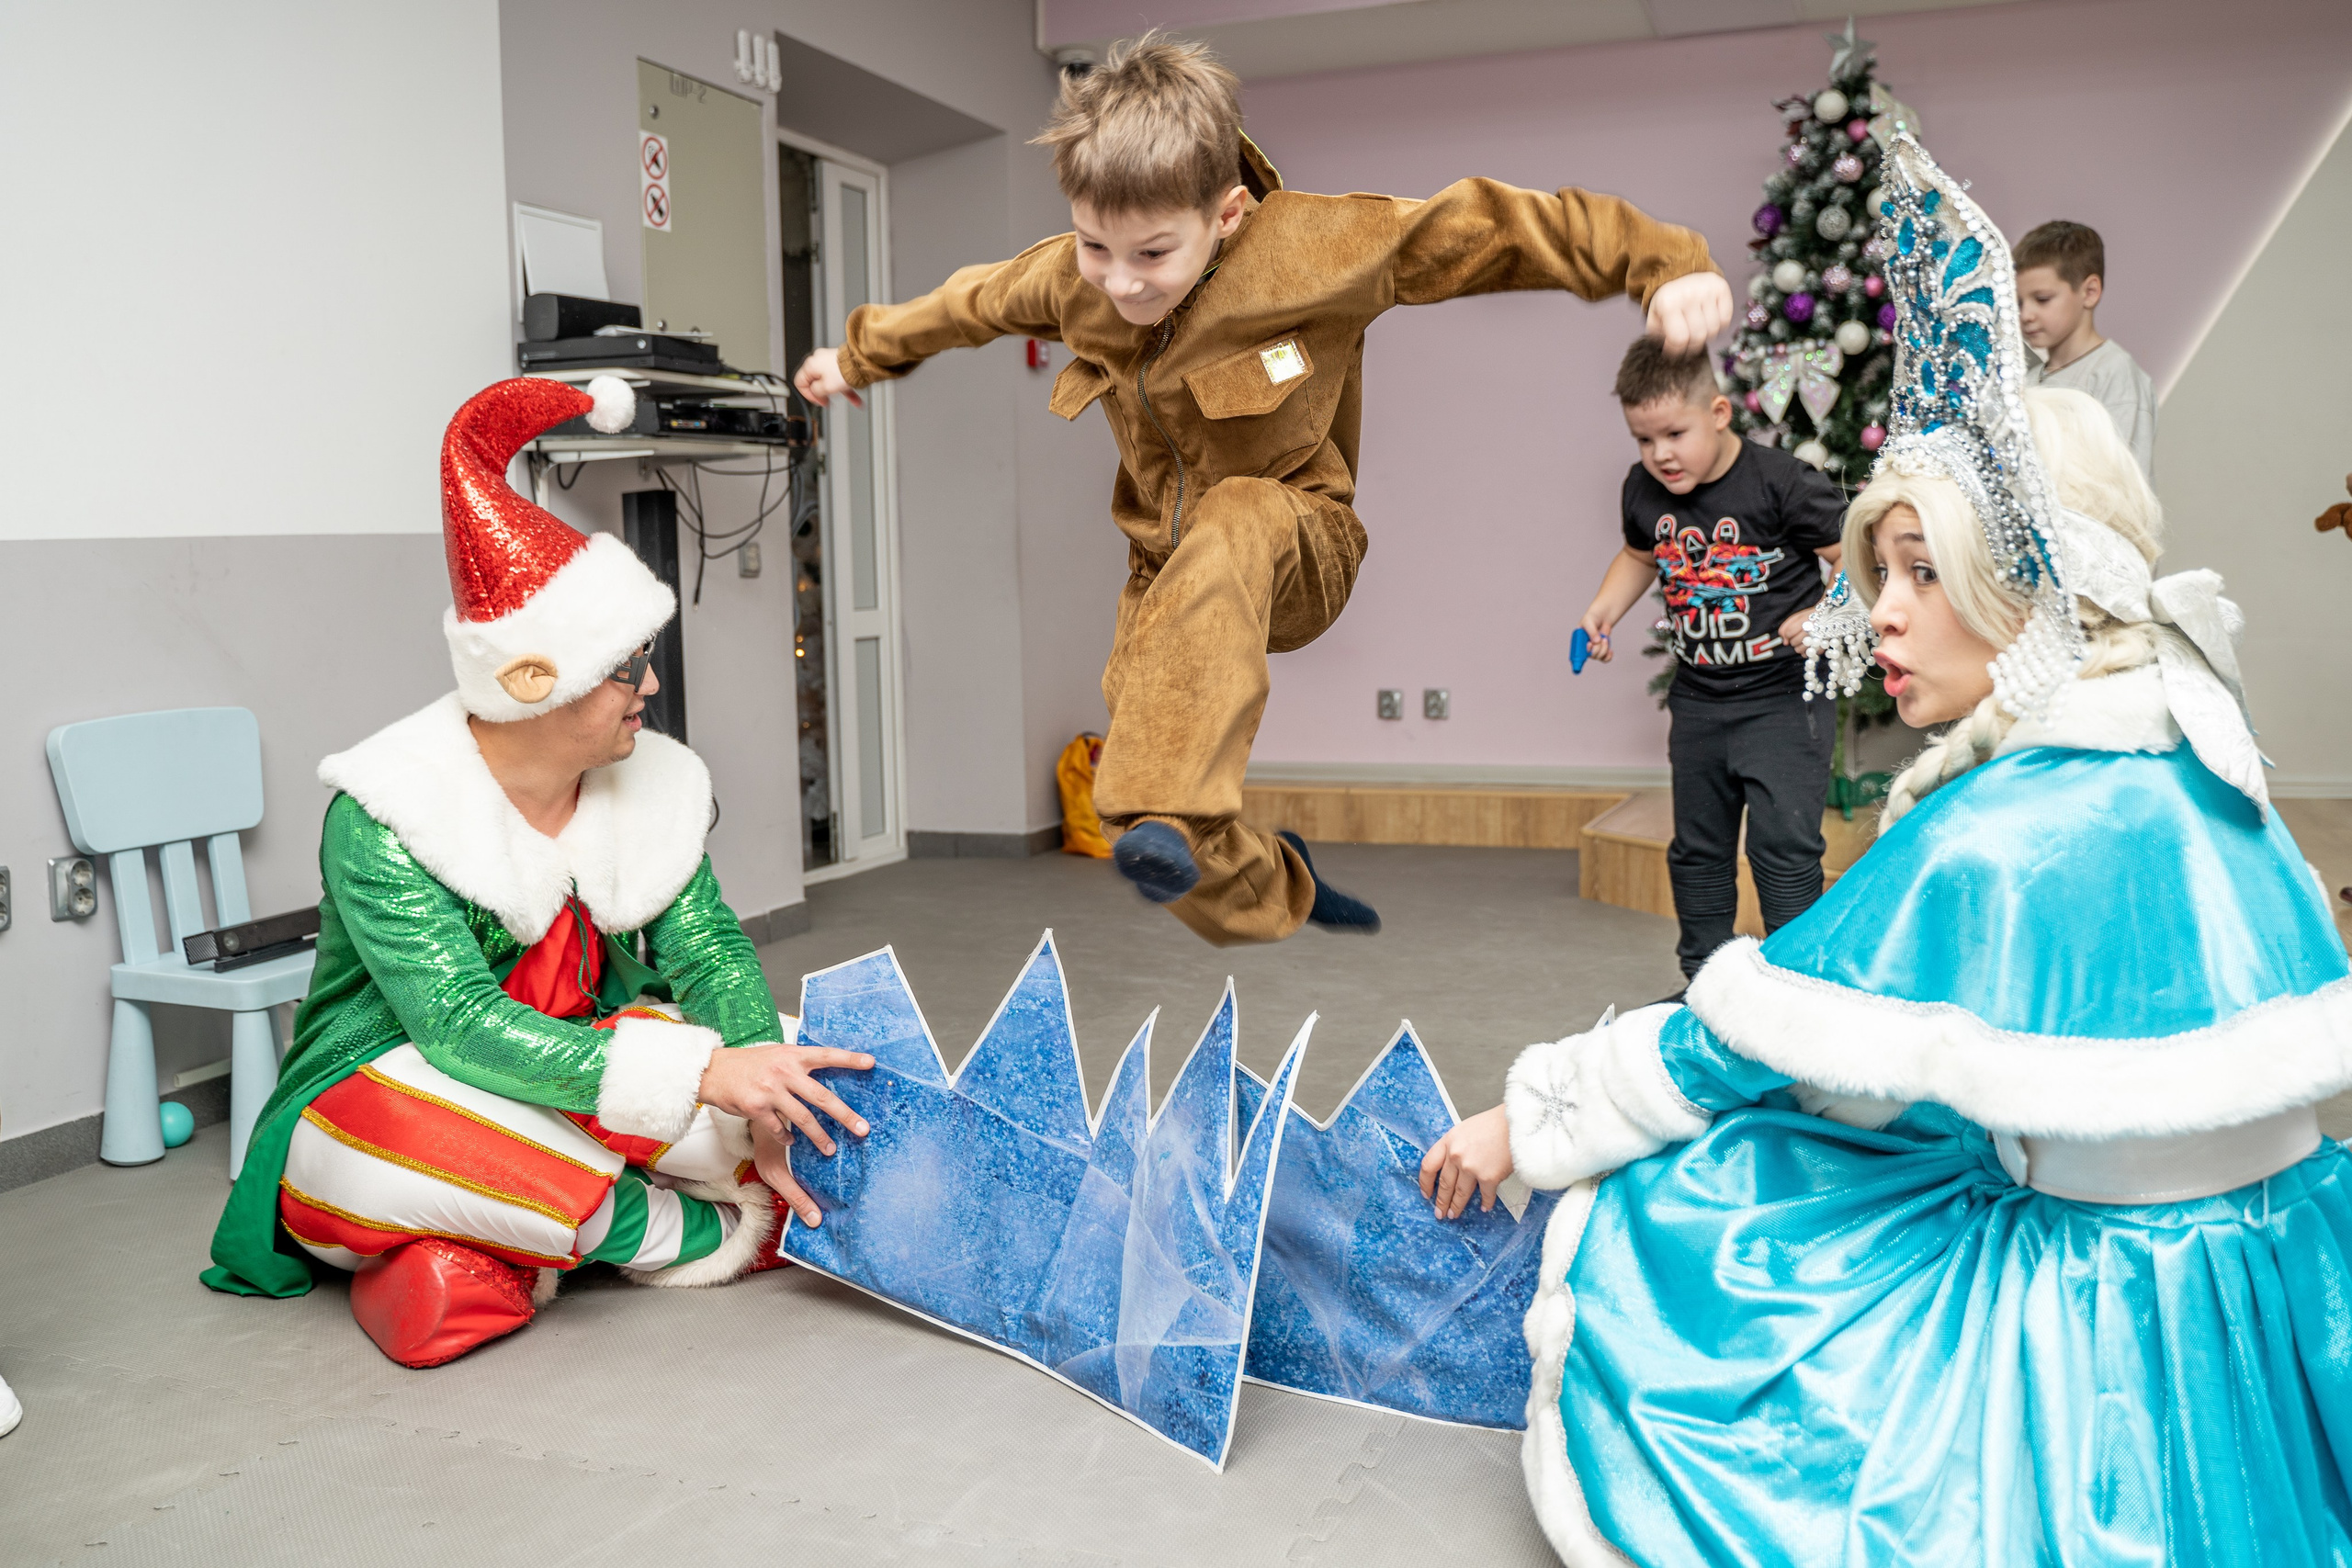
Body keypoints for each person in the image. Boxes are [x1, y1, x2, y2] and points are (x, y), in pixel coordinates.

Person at [1420, 136, 2352, 1565]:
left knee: (1712, 1200)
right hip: (2278, 1286)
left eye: (1927, 571)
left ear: (2030, 585)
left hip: (2102, 1332)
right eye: (1878, 573)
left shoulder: (2002, 829)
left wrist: (1524, 1123)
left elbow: (1729, 1044)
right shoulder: (2205, 754)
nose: (1884, 616)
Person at [791, 32, 1731, 947]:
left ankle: (1172, 798)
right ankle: (1276, 886)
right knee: (1151, 829)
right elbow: (966, 304)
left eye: (1153, 254)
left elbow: (1490, 226)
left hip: (1297, 539)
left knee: (1227, 543)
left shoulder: (1316, 248)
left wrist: (1662, 263)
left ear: (1228, 214)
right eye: (1094, 248)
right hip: (1166, 574)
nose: (1120, 284)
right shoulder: (1072, 281)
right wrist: (857, 357)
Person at [200, 377, 875, 1369]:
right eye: (624, 668)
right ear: (531, 684)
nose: (650, 686)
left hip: (578, 1062)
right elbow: (458, 1028)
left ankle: (477, 1256)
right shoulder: (388, 813)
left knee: (813, 1091)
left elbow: (706, 946)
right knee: (442, 1144)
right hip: (385, 1084)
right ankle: (677, 1230)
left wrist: (751, 1077)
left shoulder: (652, 781)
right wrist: (701, 1079)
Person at [1577, 338, 1846, 983]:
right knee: (1698, 849)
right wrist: (1605, 606)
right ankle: (1705, 978)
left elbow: (1854, 555)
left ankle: (1794, 981)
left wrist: (1830, 615)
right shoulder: (1644, 489)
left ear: (1719, 413)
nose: (1660, 454)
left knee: (1783, 845)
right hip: (1699, 699)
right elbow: (1642, 554)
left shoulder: (1782, 482)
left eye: (1675, 433)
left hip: (1785, 698)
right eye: (1644, 439)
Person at [2018, 220, 2157, 477]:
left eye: (2042, 299)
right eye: (2019, 303)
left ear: (2090, 292)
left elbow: (2125, 487)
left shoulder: (2115, 375)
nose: (2026, 315)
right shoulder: (2025, 382)